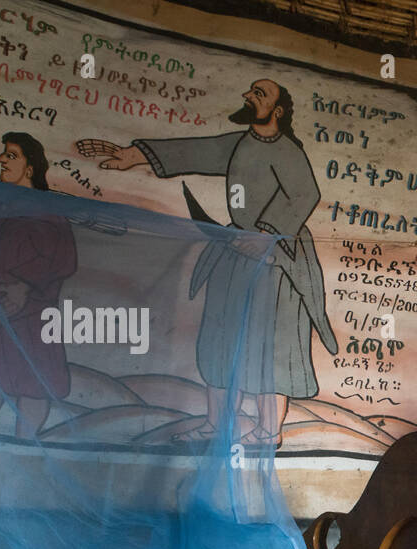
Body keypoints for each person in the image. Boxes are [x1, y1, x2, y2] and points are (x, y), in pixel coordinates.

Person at [75, 78, 338, 448]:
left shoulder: (287, 151)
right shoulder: (239, 144)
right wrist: (132, 154)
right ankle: (218, 424)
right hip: (235, 250)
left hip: (277, 258)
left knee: (269, 347)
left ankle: (268, 432)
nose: (248, 95)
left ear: (277, 111)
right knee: (219, 338)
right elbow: (195, 151)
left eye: (259, 94)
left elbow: (305, 192)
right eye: (249, 90)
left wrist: (265, 232)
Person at [0, 132, 77, 440]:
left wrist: (25, 287)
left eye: (11, 155)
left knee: (33, 382)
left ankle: (26, 447)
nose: (1, 160)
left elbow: (64, 260)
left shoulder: (51, 213)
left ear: (30, 167)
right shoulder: (11, 208)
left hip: (32, 311)